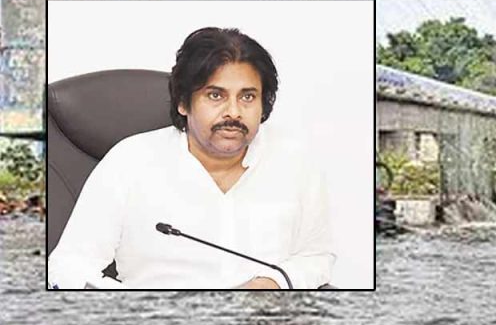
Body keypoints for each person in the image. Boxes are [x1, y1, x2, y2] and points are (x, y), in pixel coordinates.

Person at [48, 27, 335, 289]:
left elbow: (316, 256)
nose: (233, 112)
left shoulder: (295, 163)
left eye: (247, 97)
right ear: (184, 102)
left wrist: (273, 283)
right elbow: (68, 266)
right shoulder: (130, 161)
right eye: (215, 96)